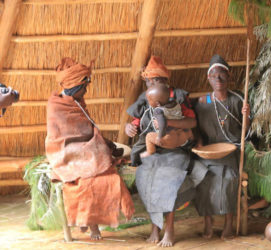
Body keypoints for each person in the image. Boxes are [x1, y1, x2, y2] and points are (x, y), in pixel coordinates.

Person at [45, 57, 134, 240]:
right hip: (64, 150)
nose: (85, 90)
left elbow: (87, 130)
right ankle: (90, 223)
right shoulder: (57, 105)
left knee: (99, 158)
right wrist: (101, 143)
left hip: (84, 146)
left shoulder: (77, 101)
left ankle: (91, 221)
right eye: (84, 87)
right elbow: (66, 135)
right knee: (96, 159)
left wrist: (103, 142)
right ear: (75, 86)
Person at [126, 56, 207, 247]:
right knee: (147, 177)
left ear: (163, 80)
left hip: (176, 149)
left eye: (153, 80)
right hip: (153, 151)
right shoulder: (146, 98)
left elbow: (192, 122)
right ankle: (156, 226)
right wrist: (129, 128)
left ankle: (169, 227)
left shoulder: (178, 97)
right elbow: (136, 122)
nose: (150, 84)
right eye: (148, 81)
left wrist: (169, 123)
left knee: (167, 180)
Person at [193, 54, 250, 239]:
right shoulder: (204, 102)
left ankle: (228, 224)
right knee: (202, 181)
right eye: (214, 75)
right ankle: (208, 223)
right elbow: (196, 128)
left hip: (231, 150)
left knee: (229, 182)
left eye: (222, 75)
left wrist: (246, 116)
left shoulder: (237, 100)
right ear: (208, 78)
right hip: (208, 152)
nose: (218, 79)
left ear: (229, 77)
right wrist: (200, 144)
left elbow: (246, 131)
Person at [141, 84, 194, 158]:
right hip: (183, 136)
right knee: (187, 129)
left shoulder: (158, 111)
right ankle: (191, 138)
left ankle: (150, 151)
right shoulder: (175, 103)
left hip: (170, 139)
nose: (148, 101)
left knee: (148, 136)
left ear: (158, 103)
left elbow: (162, 123)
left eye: (149, 100)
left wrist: (159, 137)